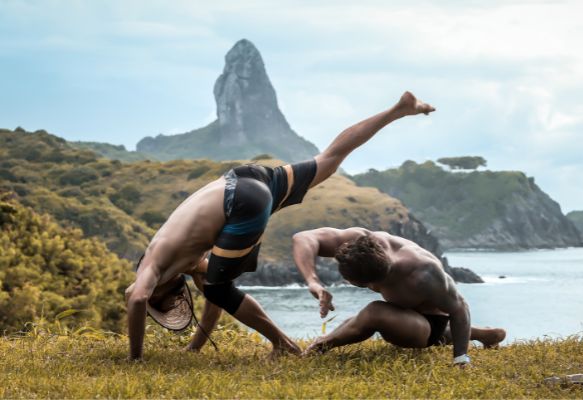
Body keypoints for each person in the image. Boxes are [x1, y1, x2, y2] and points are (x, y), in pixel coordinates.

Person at [125, 92, 436, 360]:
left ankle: (283, 344)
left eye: (160, 298)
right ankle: (398, 109)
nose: (160, 296)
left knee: (219, 288)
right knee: (329, 158)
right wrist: (194, 348)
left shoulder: (152, 265)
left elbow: (136, 297)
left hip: (239, 203)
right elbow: (214, 298)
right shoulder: (187, 262)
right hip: (246, 178)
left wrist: (135, 358)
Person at [291, 227, 507, 366]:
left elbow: (459, 308)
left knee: (373, 313)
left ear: (375, 282)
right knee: (364, 319)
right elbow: (303, 238)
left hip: (430, 324)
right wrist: (313, 282)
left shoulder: (423, 273)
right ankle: (486, 334)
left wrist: (461, 358)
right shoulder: (361, 241)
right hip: (411, 313)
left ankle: (322, 346)